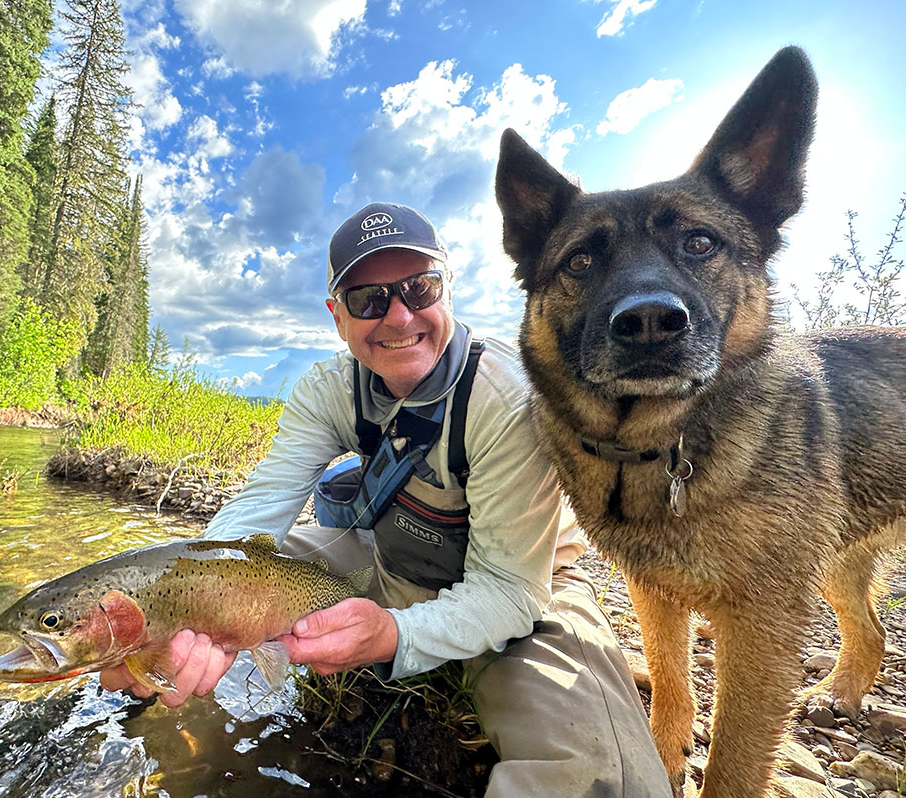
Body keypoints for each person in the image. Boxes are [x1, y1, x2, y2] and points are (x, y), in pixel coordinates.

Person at [101, 202, 671, 796]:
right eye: (368, 300)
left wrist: (393, 636)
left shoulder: (507, 398)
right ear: (337, 317)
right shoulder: (326, 390)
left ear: (447, 290)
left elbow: (509, 590)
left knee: (605, 779)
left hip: (527, 587)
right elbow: (259, 508)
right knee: (168, 581)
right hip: (387, 559)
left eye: (418, 288)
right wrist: (171, 611)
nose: (399, 317)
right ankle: (134, 701)